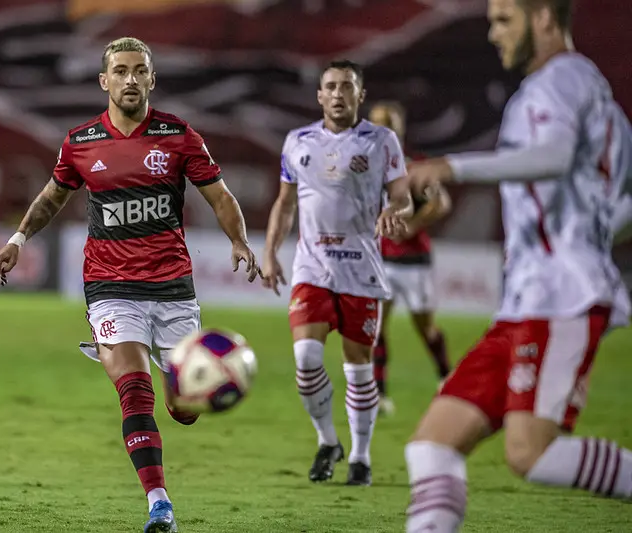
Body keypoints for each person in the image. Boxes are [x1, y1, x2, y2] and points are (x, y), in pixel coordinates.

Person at [0, 37, 260, 533]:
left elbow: (220, 197)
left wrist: (239, 242)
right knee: (134, 390)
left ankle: (188, 396)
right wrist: (18, 238)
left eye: (140, 70)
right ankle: (160, 504)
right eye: (120, 70)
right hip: (110, 286)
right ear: (104, 80)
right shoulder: (81, 142)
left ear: (152, 79)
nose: (130, 79)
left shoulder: (178, 137)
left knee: (184, 409)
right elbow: (51, 197)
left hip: (173, 287)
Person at [397, 1, 632, 531]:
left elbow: (552, 156)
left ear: (545, 17)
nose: (493, 33)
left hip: (560, 299)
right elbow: (621, 192)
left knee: (532, 454)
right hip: (527, 303)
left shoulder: (560, 80)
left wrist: (451, 165)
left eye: (505, 20)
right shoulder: (597, 97)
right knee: (433, 443)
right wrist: (593, 237)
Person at [261, 60, 412, 486]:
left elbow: (404, 198)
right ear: (319, 95)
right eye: (331, 86)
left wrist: (393, 210)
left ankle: (361, 457)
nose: (339, 93)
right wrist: (270, 252)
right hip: (312, 267)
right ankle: (328, 441)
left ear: (360, 95)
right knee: (306, 359)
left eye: (347, 86)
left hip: (361, 268)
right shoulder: (297, 141)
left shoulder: (383, 141)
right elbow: (285, 203)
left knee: (358, 369)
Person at [367, 101, 452, 416]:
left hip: (414, 260)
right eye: (377, 123)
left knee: (426, 328)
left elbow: (441, 203)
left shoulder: (413, 166)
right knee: (375, 328)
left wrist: (411, 225)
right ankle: (379, 394)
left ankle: (447, 377)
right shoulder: (364, 165)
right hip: (380, 260)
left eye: (388, 124)